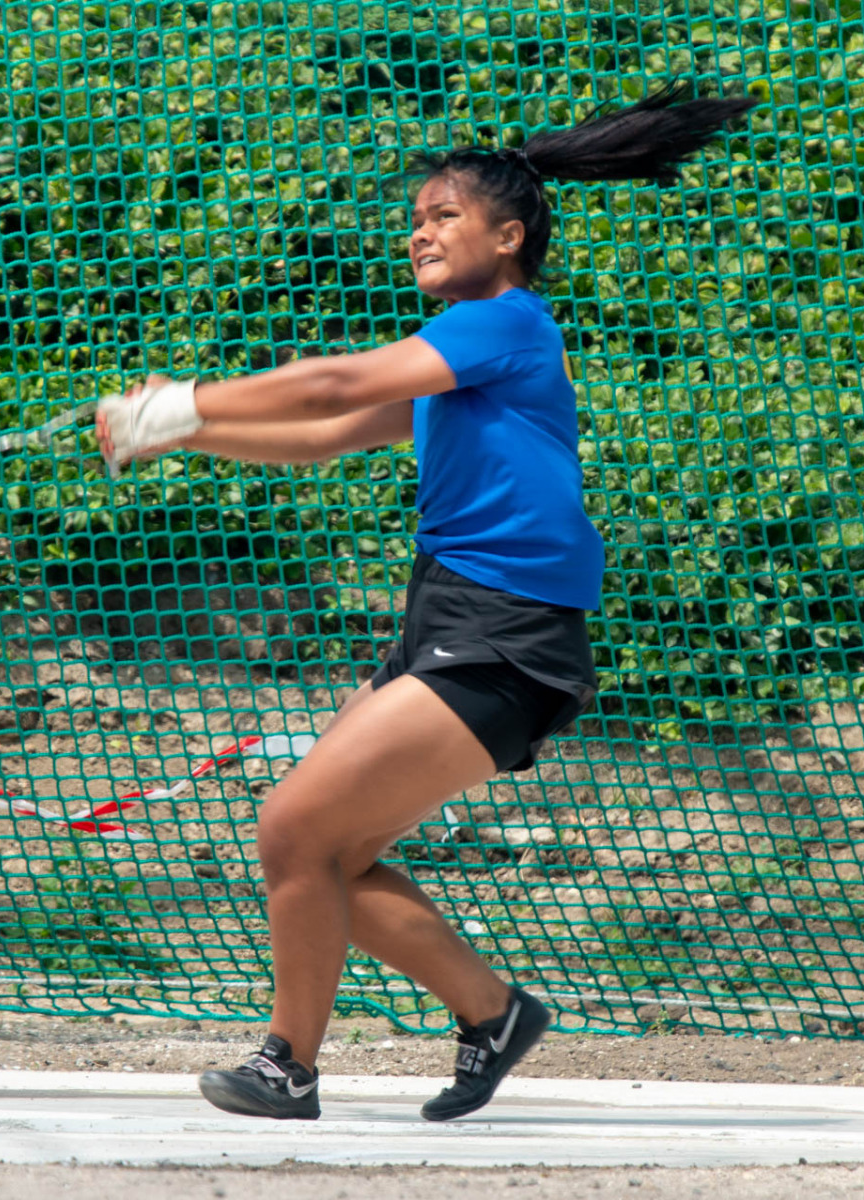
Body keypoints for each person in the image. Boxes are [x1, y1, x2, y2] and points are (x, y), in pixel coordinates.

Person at [94, 82, 759, 1121]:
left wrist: (183, 401)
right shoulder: (465, 353)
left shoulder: (505, 325)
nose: (421, 233)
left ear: (510, 234)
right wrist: (176, 432)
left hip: (505, 629)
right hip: (447, 618)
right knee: (324, 851)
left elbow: (330, 387)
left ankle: (287, 1067)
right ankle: (493, 1013)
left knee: (296, 827)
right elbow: (326, 436)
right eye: (416, 219)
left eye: (445, 215)